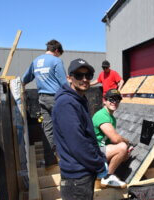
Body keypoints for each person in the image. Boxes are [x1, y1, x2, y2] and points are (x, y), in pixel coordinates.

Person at [52, 58, 108, 200]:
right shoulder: (66, 103)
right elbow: (78, 143)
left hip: (82, 174)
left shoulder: (78, 99)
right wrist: (99, 164)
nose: (84, 79)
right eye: (78, 75)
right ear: (69, 78)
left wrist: (99, 158)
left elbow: (88, 136)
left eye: (88, 76)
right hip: (76, 179)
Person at [22, 39, 67, 168]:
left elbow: (25, 79)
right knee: (64, 128)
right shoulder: (56, 61)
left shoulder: (36, 61)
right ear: (57, 50)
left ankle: (50, 160)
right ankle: (67, 159)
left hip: (42, 99)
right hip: (56, 99)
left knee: (48, 131)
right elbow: (64, 83)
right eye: (59, 53)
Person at [92, 89, 131, 188]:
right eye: (111, 99)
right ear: (104, 101)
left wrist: (124, 154)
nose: (114, 102)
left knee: (123, 152)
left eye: (117, 100)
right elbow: (115, 139)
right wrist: (127, 143)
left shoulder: (111, 118)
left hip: (99, 150)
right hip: (93, 152)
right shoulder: (101, 115)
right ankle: (107, 177)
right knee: (122, 146)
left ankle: (105, 175)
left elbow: (110, 142)